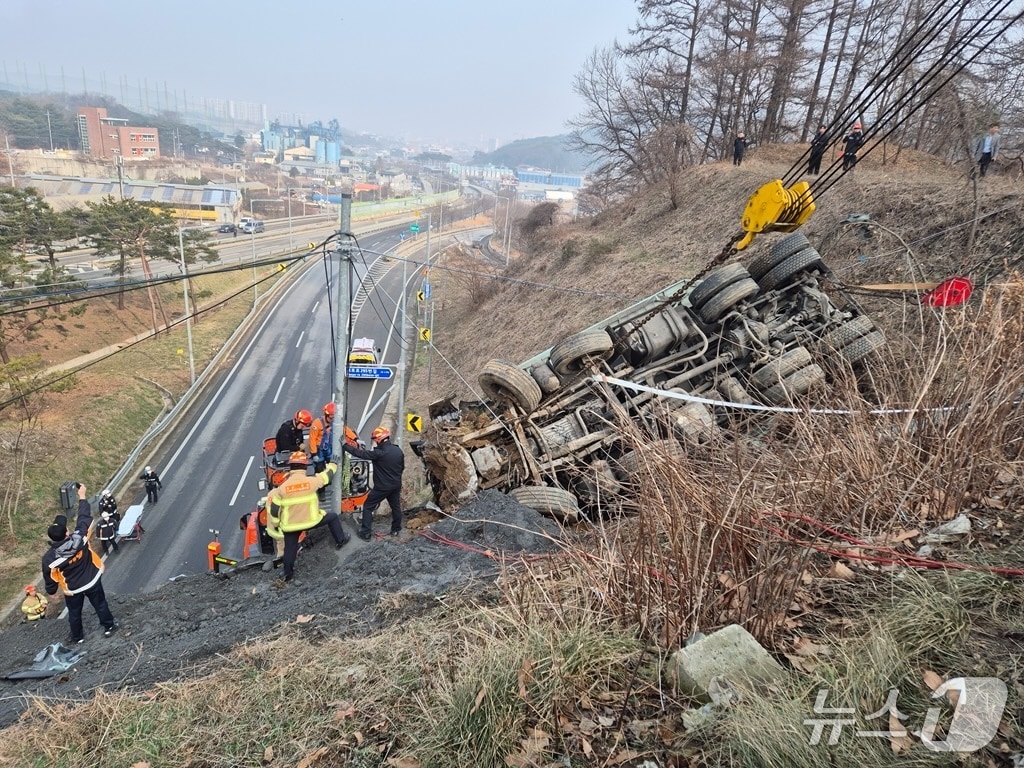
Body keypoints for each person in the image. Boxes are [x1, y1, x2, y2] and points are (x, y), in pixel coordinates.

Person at [41, 483, 118, 644]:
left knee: (74, 613)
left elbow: (49, 577)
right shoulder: (80, 538)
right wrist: (82, 496)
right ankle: (109, 627)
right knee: (100, 604)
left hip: (73, 589)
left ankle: (78, 637)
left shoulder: (50, 558)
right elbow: (84, 517)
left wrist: (52, 591)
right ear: (67, 532)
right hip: (92, 579)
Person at [265, 451, 349, 582]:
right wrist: (333, 464)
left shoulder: (282, 489)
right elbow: (326, 476)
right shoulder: (311, 482)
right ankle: (341, 541)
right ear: (305, 467)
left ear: (291, 467)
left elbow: (275, 510)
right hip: (311, 521)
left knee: (290, 549)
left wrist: (276, 524)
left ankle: (287, 574)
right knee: (332, 517)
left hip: (291, 526)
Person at [343, 425, 405, 541]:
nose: (375, 442)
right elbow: (402, 467)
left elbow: (360, 454)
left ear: (379, 439)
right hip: (395, 485)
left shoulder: (379, 453)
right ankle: (396, 530)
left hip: (382, 487)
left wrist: (345, 446)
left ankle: (365, 533)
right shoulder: (398, 450)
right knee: (396, 507)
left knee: (368, 506)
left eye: (375, 439)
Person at [308, 403, 335, 474]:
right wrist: (314, 454)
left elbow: (345, 430)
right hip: (319, 451)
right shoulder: (317, 424)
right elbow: (312, 439)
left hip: (329, 449)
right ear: (326, 415)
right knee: (319, 470)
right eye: (331, 418)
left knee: (333, 468)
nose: (332, 420)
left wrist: (355, 438)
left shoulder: (335, 422)